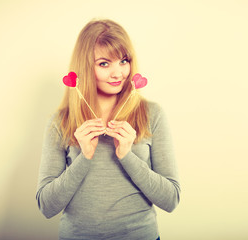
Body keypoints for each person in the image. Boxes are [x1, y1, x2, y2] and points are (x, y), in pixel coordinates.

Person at [36, 19, 180, 240]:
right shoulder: (60, 122)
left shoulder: (153, 115)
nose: (118, 73)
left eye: (124, 61)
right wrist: (84, 157)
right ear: (85, 66)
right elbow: (46, 206)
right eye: (104, 64)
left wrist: (127, 156)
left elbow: (171, 200)